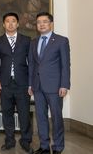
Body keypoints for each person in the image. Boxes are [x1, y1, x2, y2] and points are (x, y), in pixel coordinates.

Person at [28, 12, 70, 154]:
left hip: (55, 87)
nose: (41, 24)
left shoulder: (61, 41)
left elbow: (65, 65)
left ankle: (58, 147)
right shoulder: (33, 42)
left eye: (45, 21)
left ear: (51, 24)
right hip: (38, 86)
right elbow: (32, 66)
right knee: (41, 118)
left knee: (56, 118)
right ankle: (44, 146)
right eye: (39, 22)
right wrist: (30, 85)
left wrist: (64, 85)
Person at [0, 12, 32, 153]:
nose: (10, 24)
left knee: (24, 114)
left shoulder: (27, 40)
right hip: (5, 83)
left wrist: (31, 83)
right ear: (3, 24)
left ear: (18, 24)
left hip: (22, 83)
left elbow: (32, 63)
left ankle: (25, 141)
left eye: (13, 21)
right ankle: (9, 141)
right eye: (7, 21)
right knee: (7, 114)